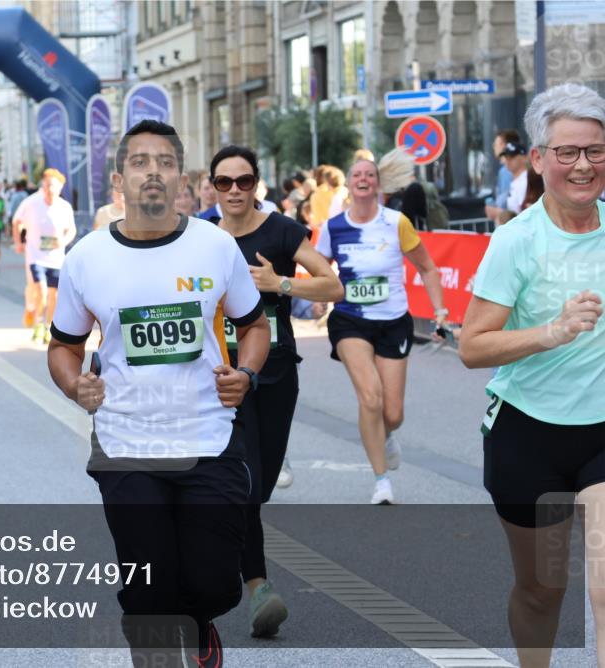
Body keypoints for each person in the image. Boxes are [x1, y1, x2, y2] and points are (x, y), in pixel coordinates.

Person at [48, 120, 270, 666]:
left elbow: (255, 325)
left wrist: (247, 373)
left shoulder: (216, 247)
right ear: (119, 179)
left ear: (182, 179)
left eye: (165, 162)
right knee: (148, 586)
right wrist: (76, 386)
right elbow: (62, 347)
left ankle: (200, 621)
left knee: (216, 582)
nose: (154, 172)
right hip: (125, 443)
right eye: (141, 162)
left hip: (209, 439)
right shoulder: (87, 257)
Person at [459, 83, 605, 668]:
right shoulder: (515, 242)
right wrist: (553, 331)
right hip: (529, 433)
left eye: (595, 150)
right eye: (567, 152)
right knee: (543, 590)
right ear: (539, 158)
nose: (583, 165)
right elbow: (472, 346)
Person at [211, 145, 343, 638]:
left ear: (257, 185)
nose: (235, 192)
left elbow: (333, 287)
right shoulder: (202, 239)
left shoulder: (282, 231)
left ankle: (241, 558)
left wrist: (280, 283)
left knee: (258, 488)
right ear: (213, 188)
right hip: (225, 377)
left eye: (243, 182)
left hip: (278, 373)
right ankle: (258, 589)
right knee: (244, 485)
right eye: (224, 183)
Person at [315, 158, 449, 504]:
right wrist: (317, 299)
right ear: (350, 184)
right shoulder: (333, 227)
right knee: (370, 397)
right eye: (357, 174)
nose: (363, 179)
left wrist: (440, 312)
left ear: (378, 184)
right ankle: (381, 482)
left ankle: (387, 435)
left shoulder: (395, 222)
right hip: (349, 320)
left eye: (369, 175)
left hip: (392, 322)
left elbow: (428, 268)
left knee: (393, 413)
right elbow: (318, 271)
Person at [12, 168, 76, 344]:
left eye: (53, 186)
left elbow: (72, 230)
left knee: (53, 295)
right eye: (47, 185)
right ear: (42, 185)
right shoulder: (32, 203)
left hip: (55, 258)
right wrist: (18, 242)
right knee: (40, 289)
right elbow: (16, 221)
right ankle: (38, 324)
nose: (50, 189)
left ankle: (48, 325)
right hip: (35, 255)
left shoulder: (64, 207)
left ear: (60, 187)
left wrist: (63, 240)